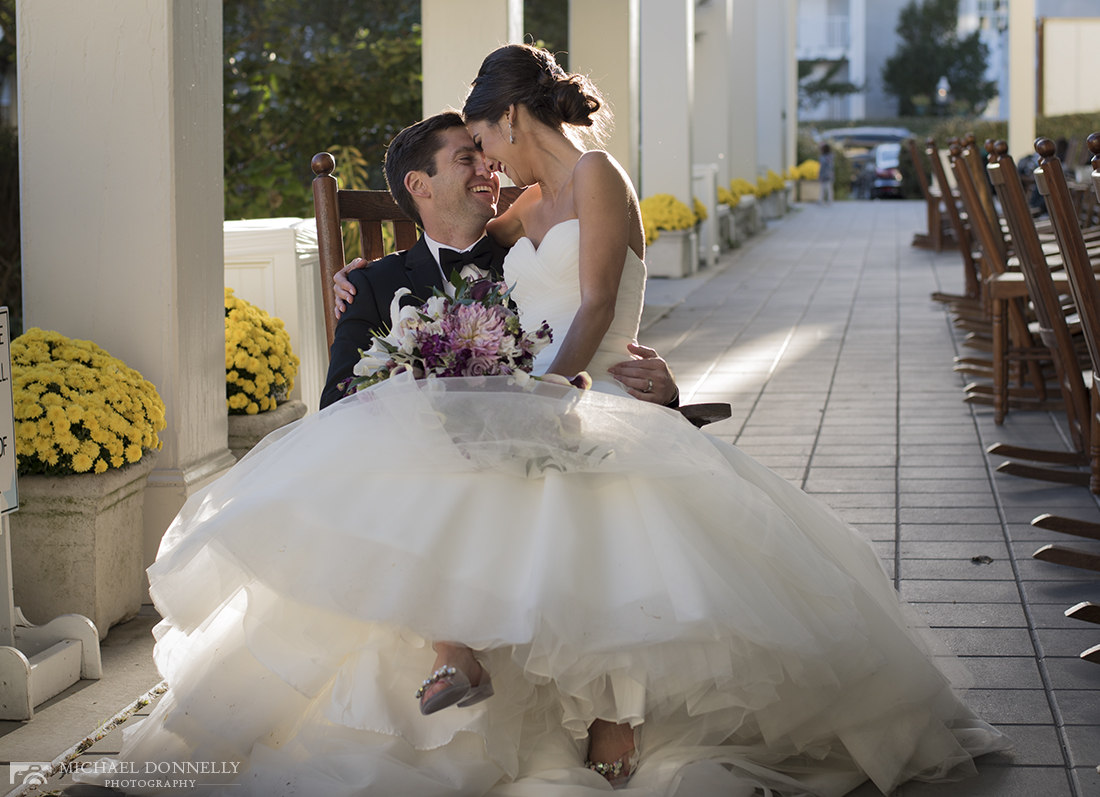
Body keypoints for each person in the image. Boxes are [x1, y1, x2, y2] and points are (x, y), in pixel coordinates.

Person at [77, 45, 1008, 797]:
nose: (489, 167)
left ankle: (607, 708)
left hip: (587, 393)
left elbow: (598, 303)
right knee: (449, 475)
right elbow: (450, 254)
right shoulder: (521, 209)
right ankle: (463, 660)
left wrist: (554, 392)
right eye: (474, 157)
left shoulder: (600, 177)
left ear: (514, 118)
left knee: (580, 496)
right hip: (535, 402)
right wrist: (365, 282)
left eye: (489, 143)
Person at [320, 110, 678, 411]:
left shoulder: (533, 264)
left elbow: (600, 344)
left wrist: (666, 393)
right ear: (418, 184)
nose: (489, 170)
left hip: (550, 425)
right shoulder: (369, 285)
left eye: (485, 156)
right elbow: (336, 403)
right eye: (466, 159)